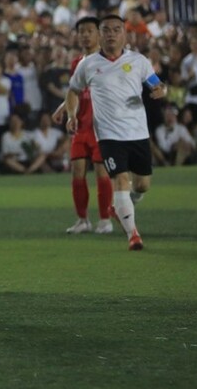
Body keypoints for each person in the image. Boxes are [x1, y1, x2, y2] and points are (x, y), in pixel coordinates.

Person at [66, 14, 168, 251]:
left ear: (124, 34)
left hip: (137, 133)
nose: (111, 34)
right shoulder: (88, 64)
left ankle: (119, 208)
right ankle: (133, 234)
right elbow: (73, 91)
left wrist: (160, 90)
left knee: (142, 185)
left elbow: (157, 83)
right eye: (106, 30)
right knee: (120, 180)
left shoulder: (139, 61)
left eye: (116, 29)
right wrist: (72, 115)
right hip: (109, 136)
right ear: (100, 34)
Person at [52, 17, 114, 235]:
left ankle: (105, 219)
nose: (85, 35)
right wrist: (65, 110)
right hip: (81, 124)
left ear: (99, 33)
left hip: (102, 125)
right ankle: (83, 220)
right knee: (77, 171)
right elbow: (75, 91)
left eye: (89, 31)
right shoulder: (77, 62)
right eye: (82, 32)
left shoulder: (108, 60)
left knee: (100, 172)